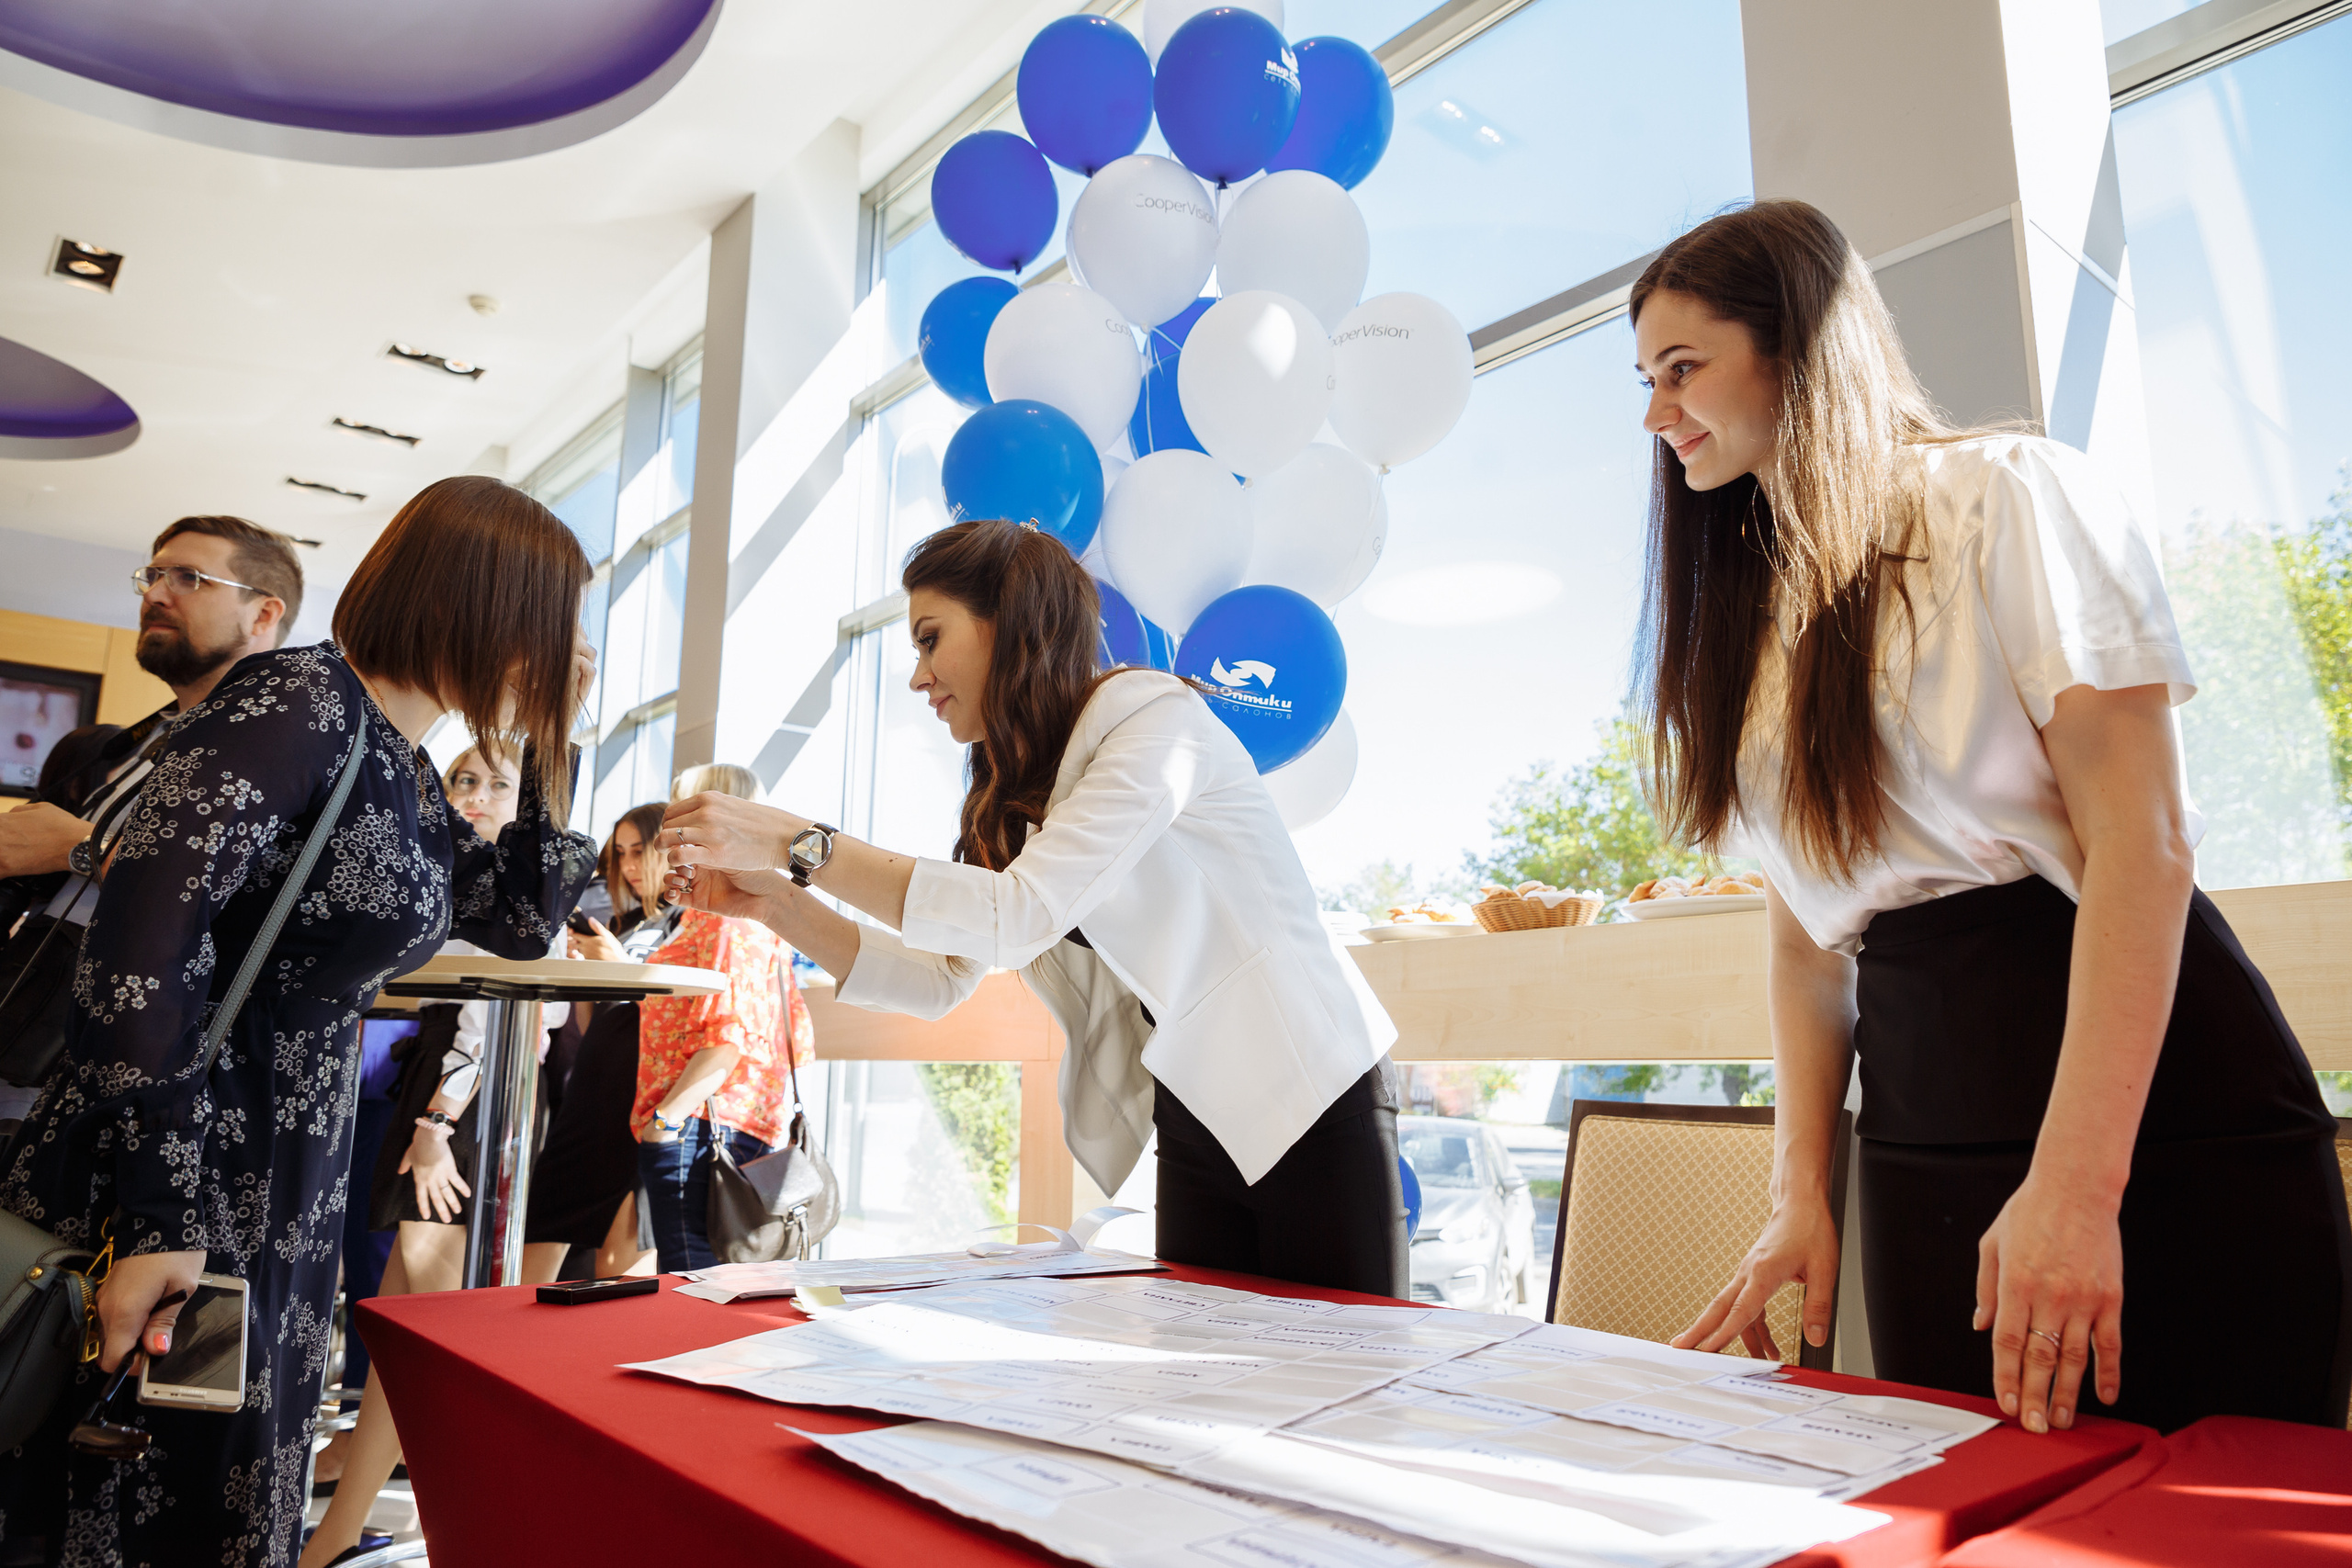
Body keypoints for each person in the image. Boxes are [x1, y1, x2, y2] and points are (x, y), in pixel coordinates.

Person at [1639, 201, 2352, 1436]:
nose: (1658, 415)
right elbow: (1812, 938)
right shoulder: (1755, 629)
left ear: (1799, 342)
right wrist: (1801, 1189)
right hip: (1924, 1132)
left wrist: (2078, 1186)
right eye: (1647, 380)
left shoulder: (2008, 494)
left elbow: (2147, 838)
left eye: (1681, 367)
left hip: (2157, 1123)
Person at [0, 475, 598, 1568]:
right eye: (554, 622)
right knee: (130, 1484)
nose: (559, 648)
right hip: (186, 1151)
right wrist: (162, 1211)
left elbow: (520, 918)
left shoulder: (399, 762)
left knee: (217, 1481)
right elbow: (138, 959)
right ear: (489, 606)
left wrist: (552, 743)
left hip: (281, 1166)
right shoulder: (292, 707)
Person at [660, 520, 1406, 1294]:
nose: (918, 677)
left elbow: (1018, 914)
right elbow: (943, 977)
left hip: (1311, 1086)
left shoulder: (1153, 723)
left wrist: (796, 841)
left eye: (929, 638)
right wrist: (779, 902)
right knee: (1207, 1382)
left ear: (1007, 622)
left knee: (1350, 1376)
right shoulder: (1020, 798)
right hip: (1193, 1107)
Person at [0, 518, 305, 1128]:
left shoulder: (281, 758)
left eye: (190, 577)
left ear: (263, 614)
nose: (156, 594)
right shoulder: (152, 742)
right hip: (30, 1041)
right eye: (154, 574)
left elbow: (261, 919)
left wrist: (81, 849)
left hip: (105, 1099)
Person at [630, 767, 812, 1273]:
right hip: (727, 1125)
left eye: (683, 810)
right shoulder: (749, 910)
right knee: (710, 1286)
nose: (670, 827)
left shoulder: (727, 915)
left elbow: (727, 1037)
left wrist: (665, 1123)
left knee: (693, 1286)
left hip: (701, 1126)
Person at [521, 802, 680, 1280]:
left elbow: (682, 1014)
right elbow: (595, 1022)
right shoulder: (621, 924)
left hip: (645, 1092)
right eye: (621, 855)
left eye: (640, 852)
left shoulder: (686, 925)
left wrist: (622, 969)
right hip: (593, 1087)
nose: (629, 867)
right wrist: (587, 973)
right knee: (543, 1233)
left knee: (623, 1259)